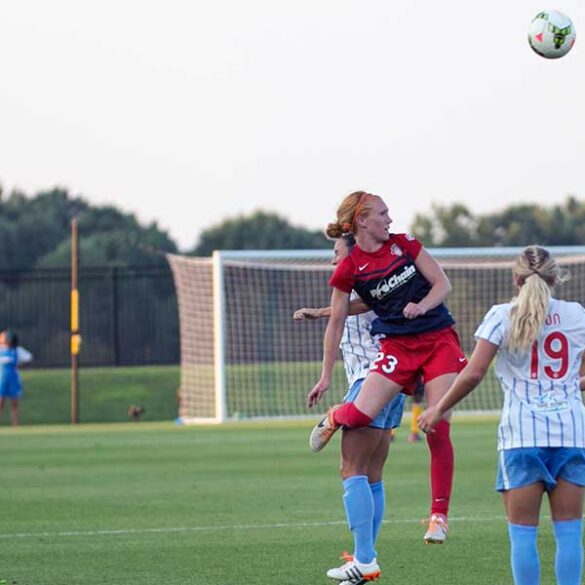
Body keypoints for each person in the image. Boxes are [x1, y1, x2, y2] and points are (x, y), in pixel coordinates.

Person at [308, 191, 468, 574]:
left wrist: (422, 306)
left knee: (437, 425)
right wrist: (326, 374)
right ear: (361, 220)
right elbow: (339, 319)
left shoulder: (405, 244)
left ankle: (438, 517)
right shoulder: (349, 269)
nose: (389, 217)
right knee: (359, 416)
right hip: (398, 348)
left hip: (438, 338)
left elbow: (441, 284)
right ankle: (336, 415)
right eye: (382, 213)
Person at [418, 245, 585, 585]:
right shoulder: (577, 314)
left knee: (522, 536)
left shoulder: (501, 315)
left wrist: (438, 408)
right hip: (571, 432)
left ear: (515, 279)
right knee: (569, 533)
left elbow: (474, 373)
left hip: (521, 437)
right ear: (555, 278)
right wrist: (568, 384)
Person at [294, 233, 406, 584]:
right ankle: (364, 558)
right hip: (393, 380)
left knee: (351, 468)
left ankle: (365, 558)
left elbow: (354, 308)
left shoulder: (367, 282)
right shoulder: (383, 279)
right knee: (372, 473)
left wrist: (323, 311)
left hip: (372, 379)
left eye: (337, 253)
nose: (333, 260)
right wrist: (326, 375)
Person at [0, 330, 32, 426]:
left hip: (13, 380)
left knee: (14, 404)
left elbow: (29, 357)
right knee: (1, 402)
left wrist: (19, 364)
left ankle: (15, 425)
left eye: (2, 336)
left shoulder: (17, 350)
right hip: (1, 380)